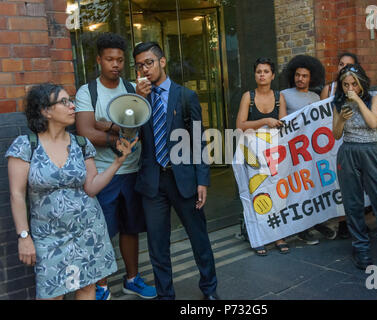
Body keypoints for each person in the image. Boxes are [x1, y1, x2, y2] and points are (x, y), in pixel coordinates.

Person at [6, 83, 136, 300]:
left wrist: (118, 161)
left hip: (88, 231)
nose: (72, 107)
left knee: (87, 289)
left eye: (71, 101)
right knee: (52, 294)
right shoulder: (26, 146)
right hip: (48, 238)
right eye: (64, 102)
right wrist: (24, 236)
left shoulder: (81, 143)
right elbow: (16, 196)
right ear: (45, 110)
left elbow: (91, 187)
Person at [133, 41, 219, 300]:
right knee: (157, 245)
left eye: (149, 62)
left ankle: (210, 290)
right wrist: (139, 101)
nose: (145, 69)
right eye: (139, 66)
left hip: (183, 179)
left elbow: (198, 140)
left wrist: (202, 180)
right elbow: (128, 132)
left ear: (162, 61)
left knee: (199, 239)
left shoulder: (185, 96)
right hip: (152, 181)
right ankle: (165, 295)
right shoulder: (138, 98)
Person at [75, 33, 156, 300]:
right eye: (110, 59)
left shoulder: (133, 88)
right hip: (102, 174)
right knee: (101, 233)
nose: (116, 64)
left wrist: (105, 125)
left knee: (131, 229)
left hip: (132, 171)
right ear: (99, 60)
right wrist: (116, 135)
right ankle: (100, 286)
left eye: (120, 60)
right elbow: (85, 132)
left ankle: (132, 279)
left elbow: (142, 126)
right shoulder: (88, 92)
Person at [332, 63, 377, 270]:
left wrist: (357, 101)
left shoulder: (374, 99)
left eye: (353, 84)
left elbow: (373, 122)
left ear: (361, 83)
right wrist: (341, 120)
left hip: (371, 150)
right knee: (353, 204)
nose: (349, 88)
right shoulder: (338, 102)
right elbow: (336, 134)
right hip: (348, 151)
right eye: (345, 84)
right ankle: (361, 249)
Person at [281, 55, 338, 245]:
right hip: (293, 151)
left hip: (312, 151)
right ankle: (302, 229)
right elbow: (282, 123)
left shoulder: (315, 97)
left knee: (313, 186)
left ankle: (315, 222)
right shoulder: (284, 94)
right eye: (297, 75)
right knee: (297, 190)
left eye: (304, 76)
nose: (300, 79)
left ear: (310, 78)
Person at [236, 57, 288, 256]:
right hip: (251, 154)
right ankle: (257, 236)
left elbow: (284, 124)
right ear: (254, 75)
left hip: (274, 152)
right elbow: (240, 125)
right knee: (254, 193)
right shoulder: (248, 96)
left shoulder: (279, 97)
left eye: (266, 71)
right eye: (259, 71)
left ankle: (278, 236)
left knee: (276, 193)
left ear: (273, 75)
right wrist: (265, 120)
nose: (262, 75)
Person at [321, 53, 360, 239]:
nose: (343, 68)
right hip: (330, 141)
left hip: (350, 142)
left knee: (352, 185)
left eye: (348, 65)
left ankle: (352, 223)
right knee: (337, 183)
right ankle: (342, 222)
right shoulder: (328, 89)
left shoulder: (360, 90)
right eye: (341, 64)